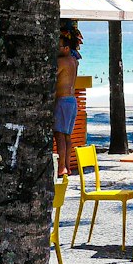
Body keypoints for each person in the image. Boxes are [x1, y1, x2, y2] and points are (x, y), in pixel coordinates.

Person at [54, 22, 82, 177]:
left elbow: (51, 76)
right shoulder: (74, 61)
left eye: (58, 46)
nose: (56, 49)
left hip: (63, 101)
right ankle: (67, 165)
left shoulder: (62, 61)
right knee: (67, 136)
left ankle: (62, 167)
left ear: (65, 48)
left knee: (59, 135)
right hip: (71, 100)